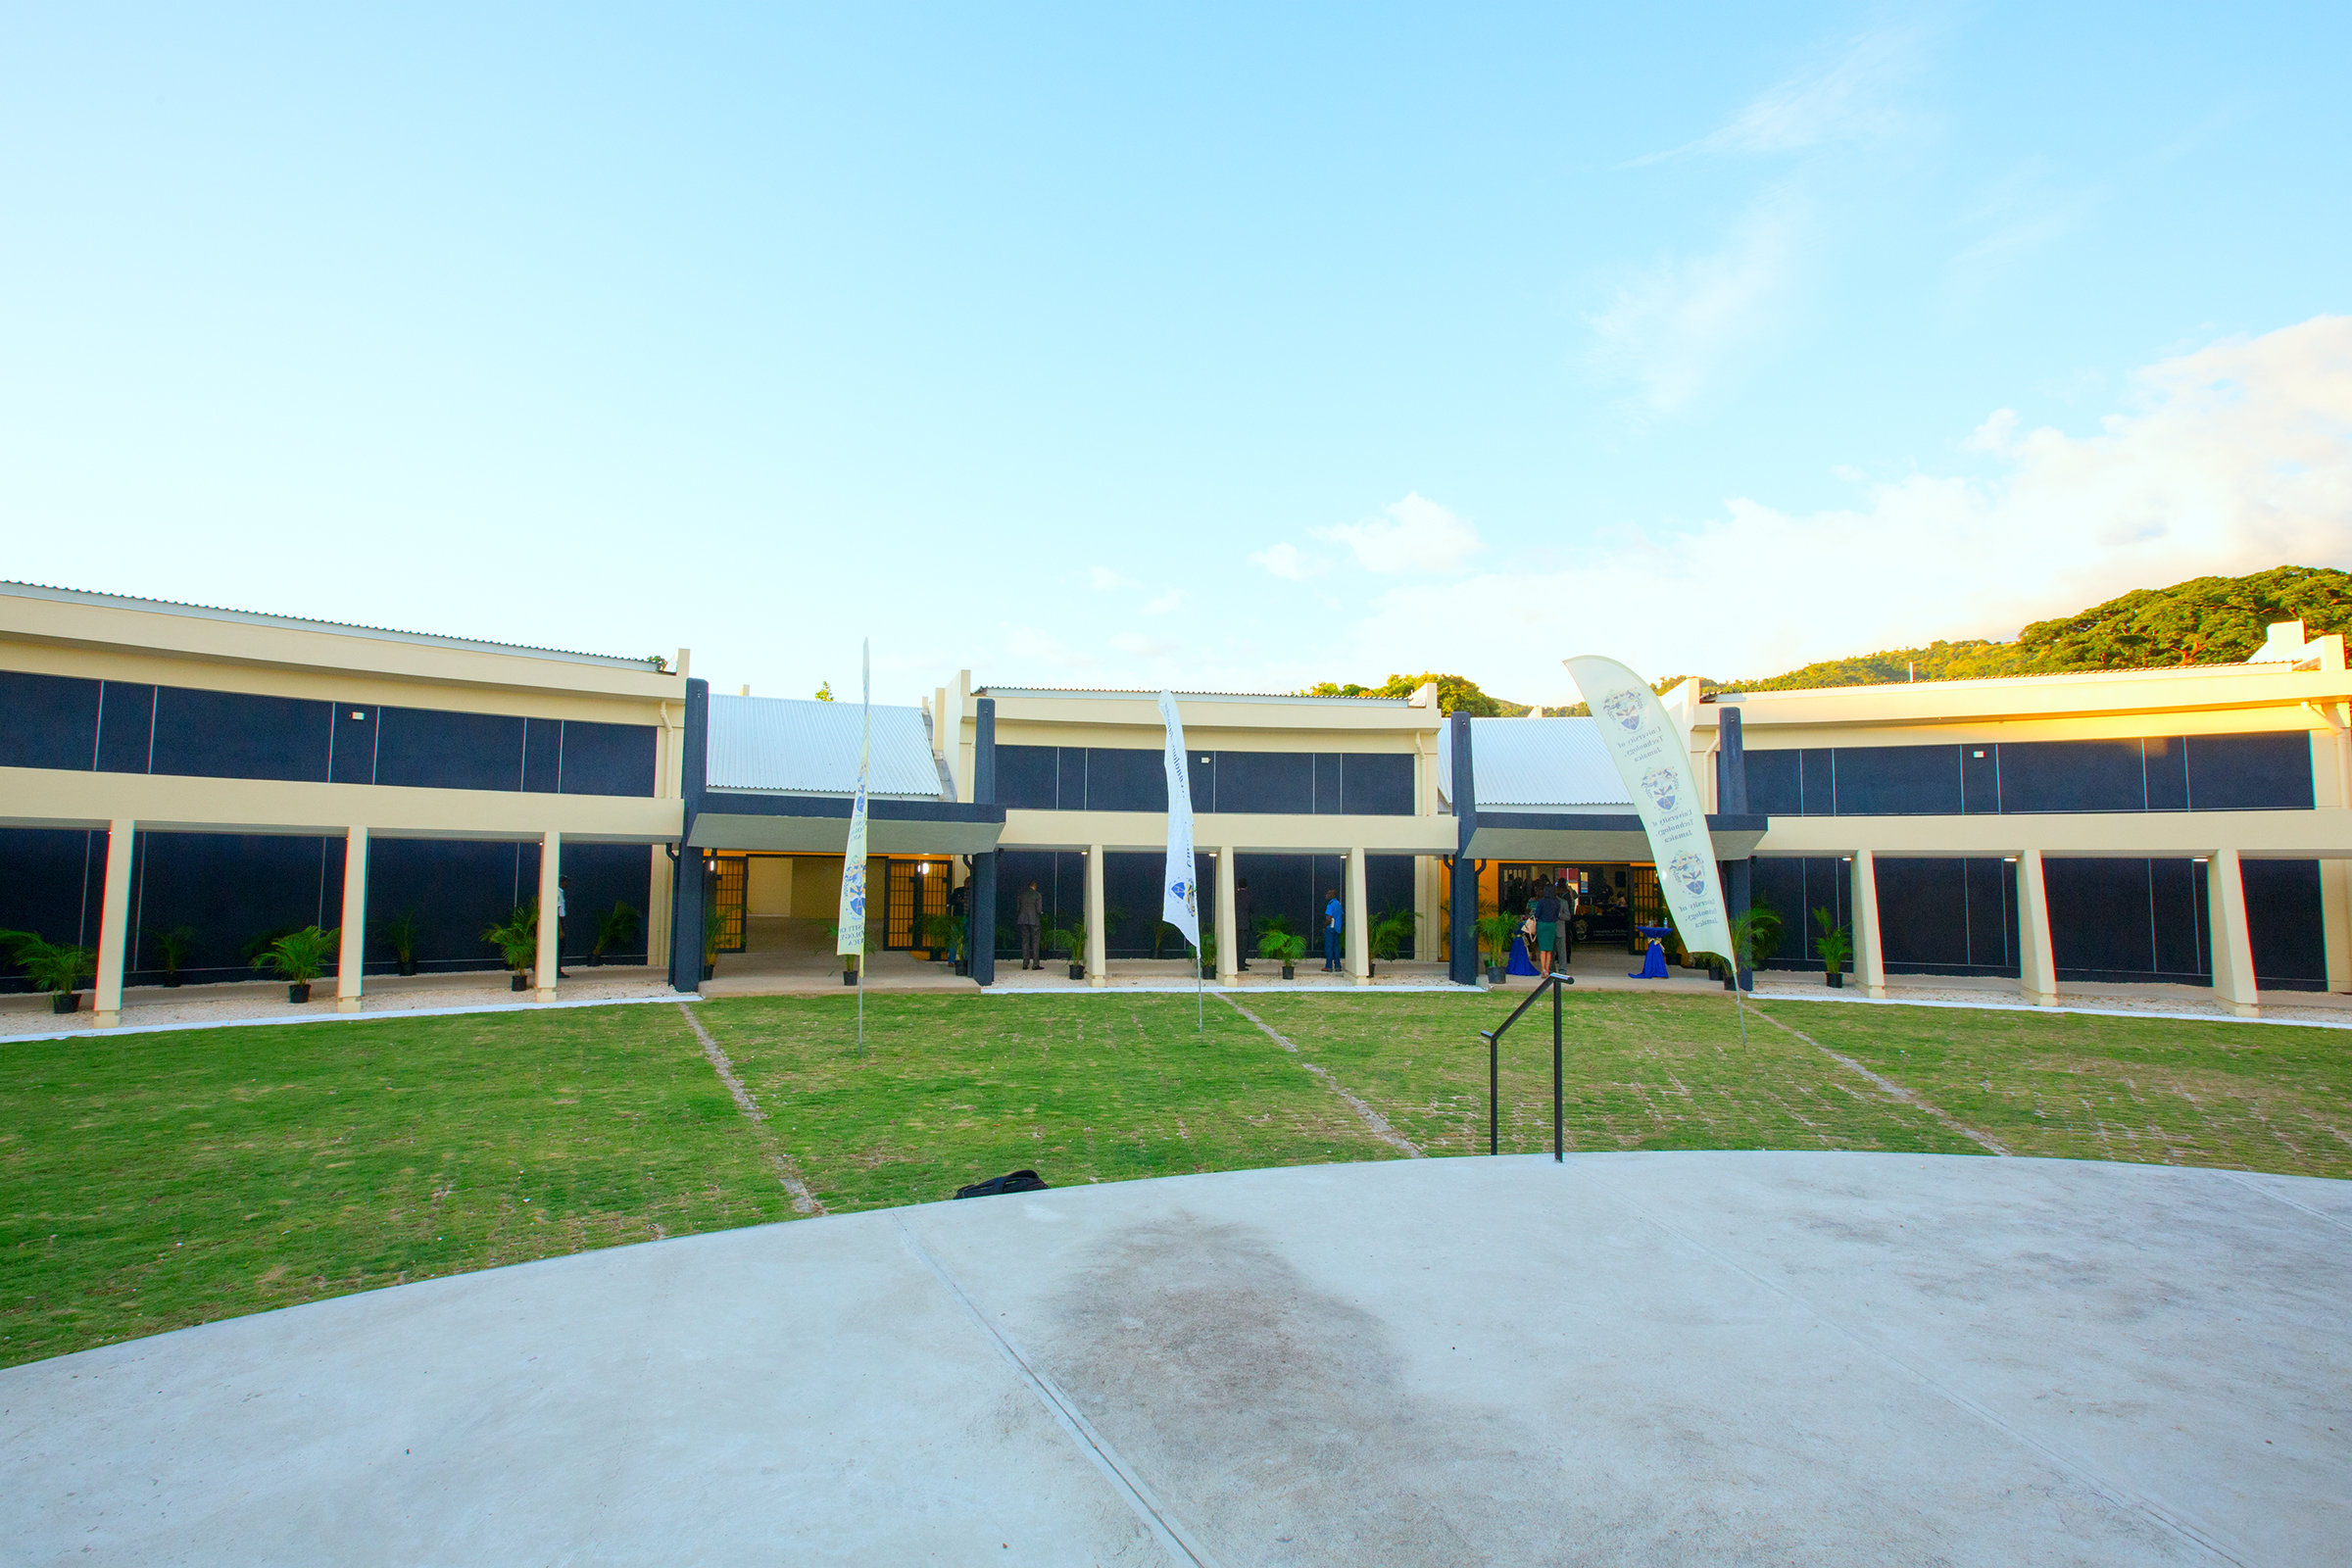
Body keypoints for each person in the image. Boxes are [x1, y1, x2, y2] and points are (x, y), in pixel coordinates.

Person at [1531, 882, 1561, 978]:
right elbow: (1557, 915)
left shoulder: (1541, 901)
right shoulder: (1557, 902)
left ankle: (1543, 969)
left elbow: (1537, 914)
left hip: (1542, 925)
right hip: (1551, 925)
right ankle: (1547, 970)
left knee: (1542, 949)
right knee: (1549, 949)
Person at [1015, 879, 1044, 969]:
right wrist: (1041, 913)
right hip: (1034, 920)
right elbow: (1039, 910)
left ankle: (1025, 964)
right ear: (1035, 886)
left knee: (1025, 941)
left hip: (1022, 920)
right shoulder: (1037, 895)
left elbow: (1018, 909)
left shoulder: (1021, 895)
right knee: (1035, 941)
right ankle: (1035, 964)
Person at [1323, 887, 1343, 972]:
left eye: (1328, 894)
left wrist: (1324, 926)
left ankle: (1329, 966)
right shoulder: (1338, 903)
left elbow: (1329, 918)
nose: (1326, 895)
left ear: (1332, 895)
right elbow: (1342, 914)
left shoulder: (1330, 904)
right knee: (1336, 947)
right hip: (1337, 928)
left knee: (1329, 947)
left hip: (1330, 928)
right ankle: (1338, 966)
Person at [1235, 877, 1253, 970]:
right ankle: (1241, 964)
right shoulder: (1248, 896)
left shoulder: (1235, 896)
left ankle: (1237, 962)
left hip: (1235, 924)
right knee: (1243, 945)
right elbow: (1251, 910)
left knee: (1237, 944)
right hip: (1245, 924)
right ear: (1246, 886)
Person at [554, 873, 569, 979]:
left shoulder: (559, 892)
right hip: (558, 922)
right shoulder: (557, 893)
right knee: (559, 947)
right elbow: (557, 912)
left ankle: (557, 969)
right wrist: (560, 929)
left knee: (560, 947)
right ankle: (556, 970)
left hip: (559, 921)